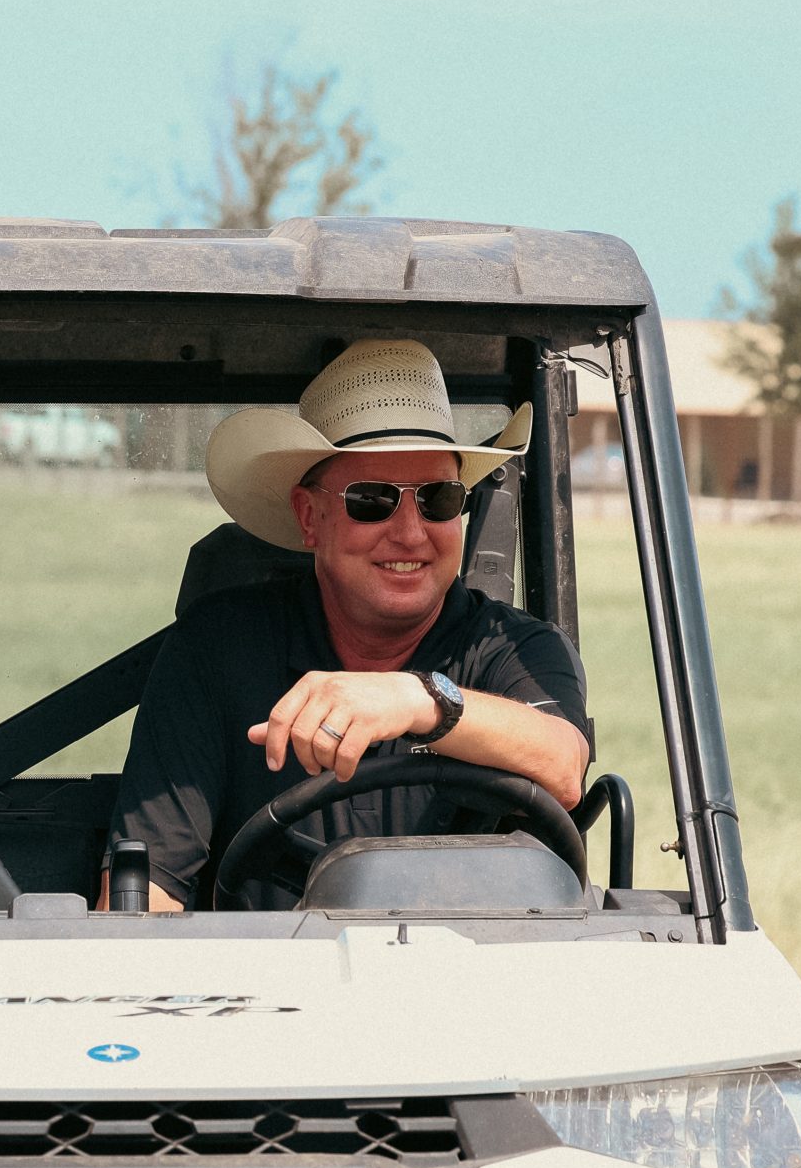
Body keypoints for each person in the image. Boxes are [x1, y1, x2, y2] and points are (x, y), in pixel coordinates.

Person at [113, 339, 591, 910]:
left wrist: (420, 701)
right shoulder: (217, 648)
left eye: (438, 499)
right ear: (309, 516)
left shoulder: (514, 646)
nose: (412, 534)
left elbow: (564, 767)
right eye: (373, 500)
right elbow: (149, 895)